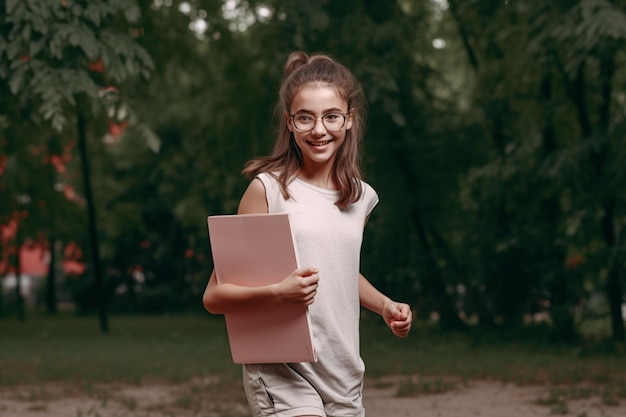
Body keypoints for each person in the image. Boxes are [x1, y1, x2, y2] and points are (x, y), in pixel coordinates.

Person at [202, 51, 412, 417]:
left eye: (331, 116)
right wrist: (277, 293)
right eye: (305, 118)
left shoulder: (361, 197)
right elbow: (214, 296)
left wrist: (384, 306)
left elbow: (340, 270)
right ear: (289, 123)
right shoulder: (266, 191)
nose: (319, 129)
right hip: (281, 367)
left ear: (349, 120)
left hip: (343, 371)